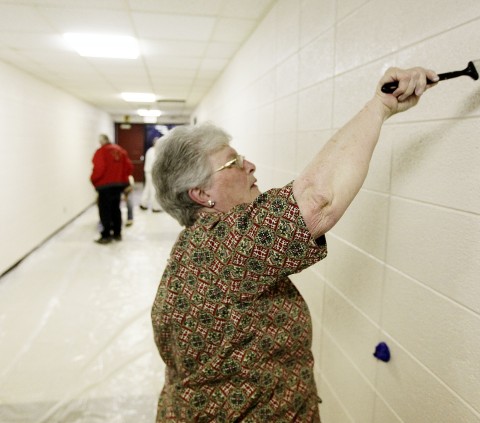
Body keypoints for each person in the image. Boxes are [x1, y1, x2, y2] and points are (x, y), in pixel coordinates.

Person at [150, 67, 438, 422]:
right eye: (234, 162)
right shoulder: (220, 248)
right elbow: (317, 199)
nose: (250, 165)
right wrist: (380, 106)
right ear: (202, 193)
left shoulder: (196, 244)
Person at [90, 134, 133, 244]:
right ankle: (117, 234)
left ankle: (106, 235)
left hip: (104, 187)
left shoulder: (101, 152)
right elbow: (129, 167)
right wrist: (122, 179)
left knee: (105, 211)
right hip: (118, 186)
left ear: (103, 141)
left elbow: (99, 169)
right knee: (116, 209)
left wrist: (93, 180)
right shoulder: (120, 151)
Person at [140, 137, 162, 212]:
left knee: (148, 188)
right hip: (151, 173)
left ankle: (143, 204)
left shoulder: (150, 150)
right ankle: (155, 207)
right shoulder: (153, 152)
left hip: (149, 172)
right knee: (154, 190)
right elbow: (155, 164)